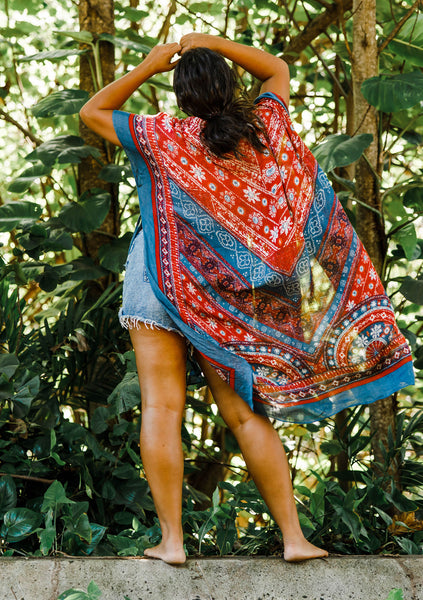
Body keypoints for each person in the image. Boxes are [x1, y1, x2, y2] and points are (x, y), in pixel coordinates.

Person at [80, 33, 414, 565]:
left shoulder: (162, 134)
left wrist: (149, 63)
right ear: (232, 86)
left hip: (159, 275)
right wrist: (209, 42)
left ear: (181, 97)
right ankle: (294, 539)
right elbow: (277, 68)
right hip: (228, 298)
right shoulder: (267, 126)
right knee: (242, 414)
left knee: (161, 407)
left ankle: (171, 543)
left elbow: (94, 110)